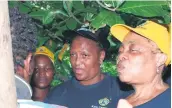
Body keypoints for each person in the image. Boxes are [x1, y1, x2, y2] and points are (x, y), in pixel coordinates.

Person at [44, 26, 124, 108]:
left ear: (101, 56)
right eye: (73, 54)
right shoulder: (58, 95)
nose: (77, 62)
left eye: (85, 55)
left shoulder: (121, 91)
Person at [110, 20, 171, 108]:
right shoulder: (117, 101)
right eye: (120, 51)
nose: (121, 56)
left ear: (159, 59)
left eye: (133, 50)